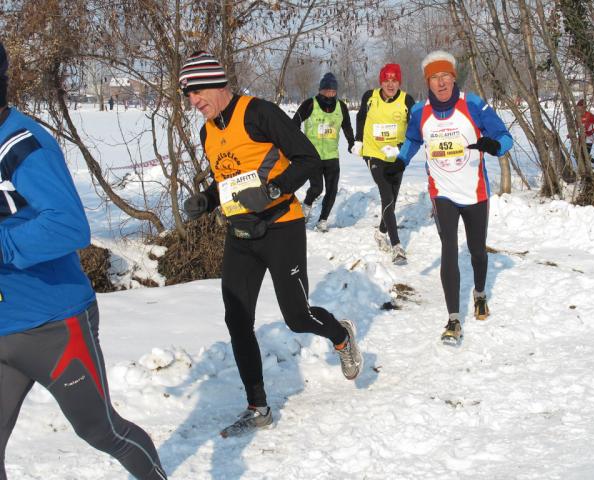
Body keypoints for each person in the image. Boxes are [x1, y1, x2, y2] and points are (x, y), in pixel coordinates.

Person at [0, 42, 166, 480]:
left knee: (101, 430)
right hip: (3, 325)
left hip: (54, 326)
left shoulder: (22, 146)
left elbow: (69, 226)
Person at [178, 51, 363, 437]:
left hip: (282, 227)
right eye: (187, 94)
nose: (193, 100)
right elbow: (229, 179)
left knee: (297, 317)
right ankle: (258, 407)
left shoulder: (259, 113)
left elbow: (308, 160)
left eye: (196, 90)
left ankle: (341, 335)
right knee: (237, 319)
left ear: (218, 82)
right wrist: (208, 199)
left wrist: (274, 191)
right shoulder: (207, 131)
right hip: (241, 234)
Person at [396, 50, 513, 345]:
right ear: (428, 82)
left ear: (453, 77)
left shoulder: (472, 104)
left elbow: (505, 136)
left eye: (445, 75)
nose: (440, 82)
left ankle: (480, 293)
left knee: (476, 251)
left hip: (475, 192)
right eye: (434, 77)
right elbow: (412, 139)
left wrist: (493, 144)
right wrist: (400, 161)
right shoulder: (420, 111)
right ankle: (453, 319)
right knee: (448, 246)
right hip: (442, 191)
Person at [353, 63, 415, 265]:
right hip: (373, 153)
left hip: (396, 157)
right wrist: (358, 141)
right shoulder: (370, 97)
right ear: (381, 81)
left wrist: (402, 147)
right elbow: (361, 117)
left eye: (394, 80)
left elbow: (414, 127)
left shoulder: (406, 100)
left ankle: (381, 232)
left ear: (399, 82)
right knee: (386, 194)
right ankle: (397, 246)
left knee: (393, 198)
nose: (390, 84)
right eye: (386, 80)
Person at [292, 72, 354, 232]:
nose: (329, 93)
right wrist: (297, 144)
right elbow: (294, 122)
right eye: (326, 90)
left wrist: (351, 143)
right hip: (312, 156)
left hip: (332, 156)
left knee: (332, 191)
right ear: (320, 90)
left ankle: (322, 221)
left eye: (332, 90)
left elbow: (347, 126)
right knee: (317, 188)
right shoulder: (310, 104)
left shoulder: (341, 107)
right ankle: (306, 205)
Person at [576, 99, 594, 170]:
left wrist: (590, 132)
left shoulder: (590, 116)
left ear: (584, 107)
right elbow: (576, 128)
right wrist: (570, 135)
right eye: (577, 108)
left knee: (585, 155)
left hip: (589, 139)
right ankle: (593, 163)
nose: (578, 109)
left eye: (580, 107)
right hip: (581, 139)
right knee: (579, 155)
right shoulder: (577, 117)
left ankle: (590, 168)